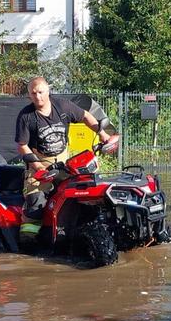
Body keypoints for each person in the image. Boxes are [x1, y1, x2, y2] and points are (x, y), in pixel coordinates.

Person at [15, 76, 115, 241]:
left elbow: (86, 116)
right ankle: (28, 242)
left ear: (48, 91)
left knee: (83, 193)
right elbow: (22, 145)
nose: (38, 96)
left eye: (40, 92)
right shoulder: (26, 116)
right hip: (39, 168)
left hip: (64, 165)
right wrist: (38, 166)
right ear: (29, 95)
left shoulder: (63, 106)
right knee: (36, 204)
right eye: (33, 93)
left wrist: (104, 135)